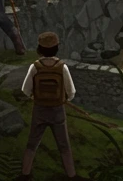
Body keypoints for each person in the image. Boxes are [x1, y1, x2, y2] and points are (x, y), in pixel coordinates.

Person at [20, 31, 80, 181]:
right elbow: (71, 92)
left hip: (39, 109)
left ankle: (25, 174)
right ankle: (71, 175)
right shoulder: (62, 67)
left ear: (39, 49)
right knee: (64, 145)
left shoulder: (35, 67)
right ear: (57, 48)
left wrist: (35, 97)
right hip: (57, 111)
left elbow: (25, 90)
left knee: (32, 143)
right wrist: (65, 99)